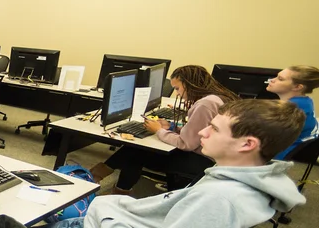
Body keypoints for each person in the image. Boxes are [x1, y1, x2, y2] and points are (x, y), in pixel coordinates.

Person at [36, 99, 306, 228]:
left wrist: (107, 214)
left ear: (247, 144)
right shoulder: (242, 179)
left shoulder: (220, 199)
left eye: (213, 128)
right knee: (43, 221)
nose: (201, 131)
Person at [92, 65, 238, 193]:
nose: (177, 93)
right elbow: (197, 130)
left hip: (203, 161)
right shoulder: (215, 98)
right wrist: (172, 127)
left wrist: (159, 130)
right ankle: (110, 184)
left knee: (137, 151)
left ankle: (100, 179)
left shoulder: (204, 104)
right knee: (136, 150)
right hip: (215, 158)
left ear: (189, 84)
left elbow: (186, 144)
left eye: (177, 88)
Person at [267, 65, 319, 159]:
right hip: (293, 152)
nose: (272, 80)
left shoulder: (291, 109)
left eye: (280, 79)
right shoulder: (306, 101)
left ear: (298, 87)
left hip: (280, 155)